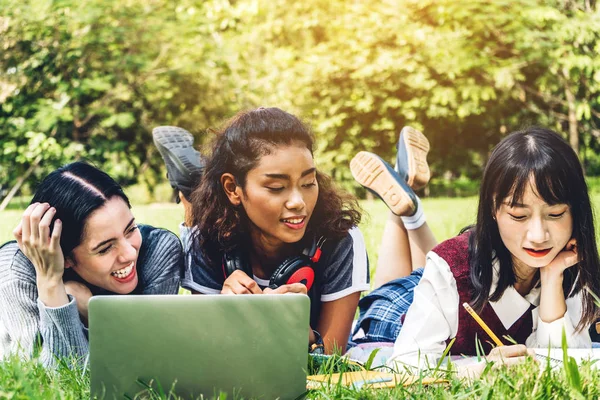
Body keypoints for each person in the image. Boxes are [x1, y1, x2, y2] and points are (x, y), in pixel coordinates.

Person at [349, 126, 600, 377]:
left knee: (438, 267)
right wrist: (479, 370)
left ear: (574, 211)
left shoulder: (566, 259)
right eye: (518, 215)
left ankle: (408, 203)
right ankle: (404, 211)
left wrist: (552, 278)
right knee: (411, 279)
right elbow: (405, 364)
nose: (538, 236)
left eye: (555, 214)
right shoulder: (449, 267)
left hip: (450, 283)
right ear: (493, 208)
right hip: (396, 316)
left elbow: (569, 363)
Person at [164, 107, 370, 354]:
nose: (298, 202)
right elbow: (208, 354)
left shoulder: (340, 238)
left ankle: (192, 184)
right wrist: (222, 315)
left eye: (308, 183)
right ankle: (190, 190)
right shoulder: (205, 241)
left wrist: (303, 334)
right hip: (216, 216)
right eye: (276, 187)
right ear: (232, 189)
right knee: (194, 219)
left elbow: (331, 356)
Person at [0, 162, 184, 367]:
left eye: (130, 229)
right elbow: (56, 379)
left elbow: (147, 359)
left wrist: (92, 312)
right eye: (105, 248)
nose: (130, 253)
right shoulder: (15, 271)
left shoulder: (157, 251)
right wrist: (51, 284)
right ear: (65, 256)